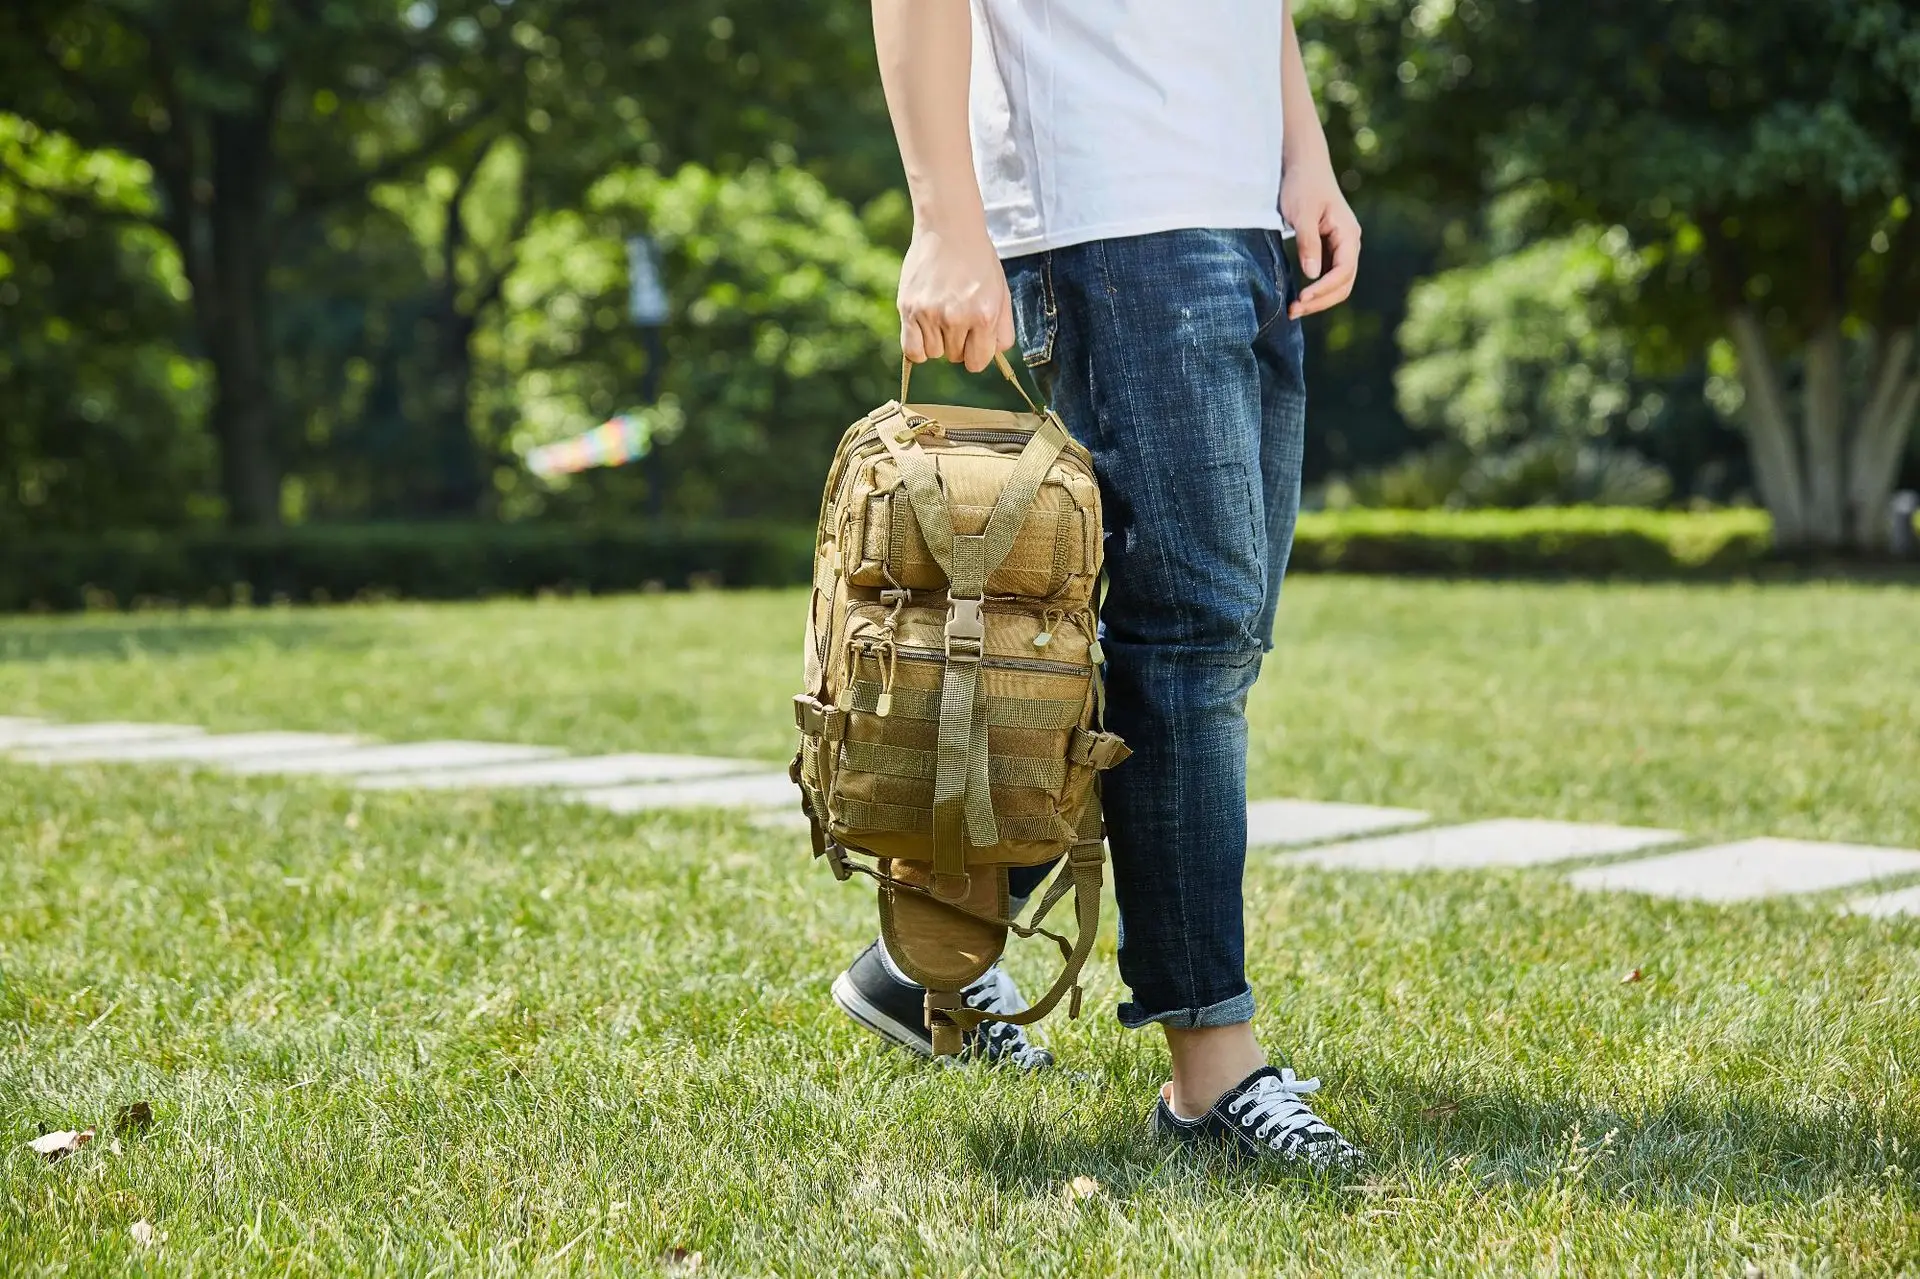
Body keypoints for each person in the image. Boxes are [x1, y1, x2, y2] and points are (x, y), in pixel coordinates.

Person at [829, 0, 1365, 1169]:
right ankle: (1212, 1071)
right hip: (1109, 219)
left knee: (1205, 652)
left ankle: (930, 951)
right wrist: (945, 221)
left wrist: (1302, 154)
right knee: (1186, 650)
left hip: (1241, 219)